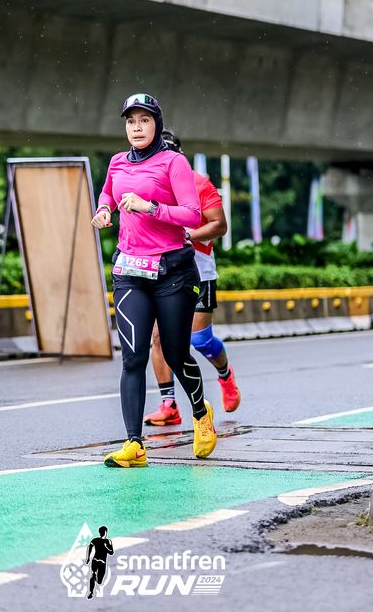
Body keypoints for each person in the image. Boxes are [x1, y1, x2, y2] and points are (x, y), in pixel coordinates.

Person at [91, 93, 217, 467]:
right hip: (130, 272)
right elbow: (108, 194)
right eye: (131, 121)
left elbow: (193, 215)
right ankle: (134, 444)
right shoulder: (117, 162)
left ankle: (200, 412)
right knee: (133, 358)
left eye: (144, 120)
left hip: (173, 272)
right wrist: (103, 210)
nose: (137, 127)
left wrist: (151, 208)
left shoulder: (173, 162)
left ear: (156, 124)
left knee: (176, 354)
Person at [144, 131, 241, 426]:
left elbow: (219, 225)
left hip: (199, 272)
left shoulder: (199, 184)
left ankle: (225, 375)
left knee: (199, 340)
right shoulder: (145, 183)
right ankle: (169, 405)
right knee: (158, 339)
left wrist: (189, 236)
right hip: (161, 272)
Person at [85, 526, 114, 599]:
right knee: (94, 575)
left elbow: (111, 552)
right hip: (98, 561)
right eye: (103, 532)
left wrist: (88, 558)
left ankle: (94, 581)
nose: (104, 533)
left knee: (99, 580)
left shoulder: (107, 541)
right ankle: (91, 592)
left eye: (104, 532)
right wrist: (88, 557)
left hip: (98, 561)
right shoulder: (98, 540)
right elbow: (90, 547)